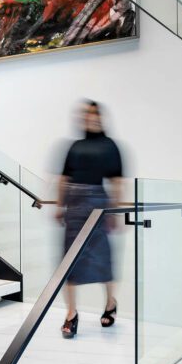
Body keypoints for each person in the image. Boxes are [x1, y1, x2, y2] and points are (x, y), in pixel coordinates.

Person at [56, 100, 125, 338]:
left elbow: (117, 181)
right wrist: (59, 205)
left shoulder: (110, 146)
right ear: (82, 118)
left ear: (102, 118)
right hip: (74, 205)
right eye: (88, 114)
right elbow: (64, 178)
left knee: (102, 258)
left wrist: (114, 211)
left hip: (98, 203)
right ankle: (71, 313)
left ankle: (110, 303)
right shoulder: (74, 146)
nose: (92, 118)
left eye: (96, 114)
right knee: (69, 261)